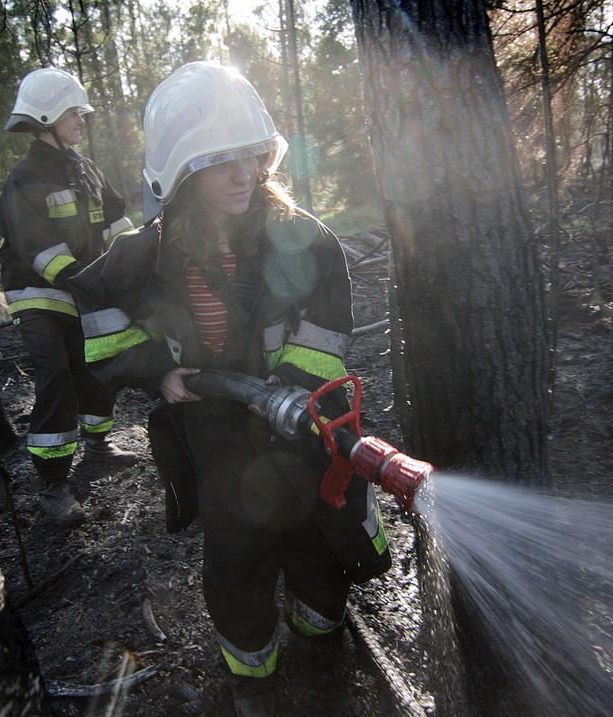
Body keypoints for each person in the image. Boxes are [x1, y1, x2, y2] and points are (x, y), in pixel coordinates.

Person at [69, 61, 391, 716]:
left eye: (253, 155)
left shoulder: (302, 238)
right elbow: (98, 322)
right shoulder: (143, 256)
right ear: (183, 175)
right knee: (237, 556)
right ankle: (253, 670)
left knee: (315, 537)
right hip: (213, 436)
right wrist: (155, 369)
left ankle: (321, 632)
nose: (246, 175)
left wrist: (289, 389)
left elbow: (325, 334)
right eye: (223, 163)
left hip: (298, 429)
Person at [0, 67, 138, 528]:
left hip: (83, 288)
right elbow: (37, 248)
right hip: (38, 293)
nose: (81, 118)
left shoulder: (85, 168)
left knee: (97, 365)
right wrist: (87, 280)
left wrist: (137, 257)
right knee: (55, 375)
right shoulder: (25, 176)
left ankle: (97, 445)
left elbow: (117, 224)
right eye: (74, 110)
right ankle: (53, 486)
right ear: (47, 115)